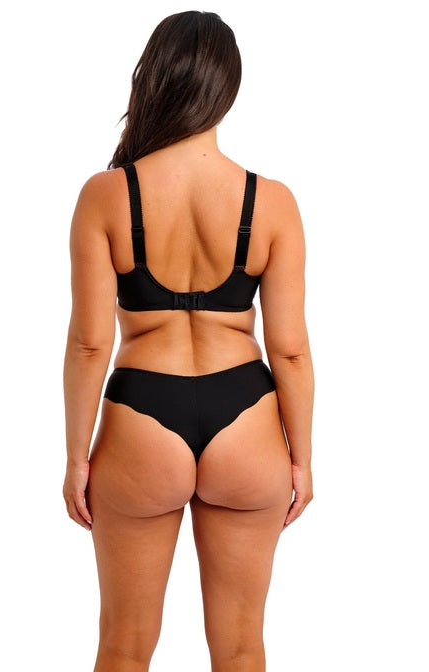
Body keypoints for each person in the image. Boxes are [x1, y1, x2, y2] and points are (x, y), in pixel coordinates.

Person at [62, 10, 314, 672]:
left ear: (154, 78)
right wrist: (302, 458)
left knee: (123, 647)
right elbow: (290, 349)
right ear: (227, 88)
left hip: (141, 417)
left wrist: (77, 458)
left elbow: (89, 344)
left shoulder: (106, 196)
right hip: (248, 420)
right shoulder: (272, 202)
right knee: (241, 648)